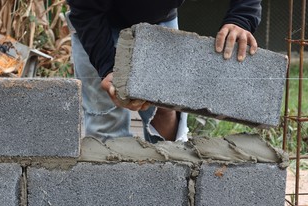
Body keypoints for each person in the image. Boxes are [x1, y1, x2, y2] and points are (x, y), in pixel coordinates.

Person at [66, 0, 262, 143]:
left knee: (166, 109)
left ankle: (168, 187)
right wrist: (107, 67)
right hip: (96, 21)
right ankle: (112, 190)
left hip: (160, 18)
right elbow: (85, 10)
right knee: (106, 123)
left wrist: (241, 18)